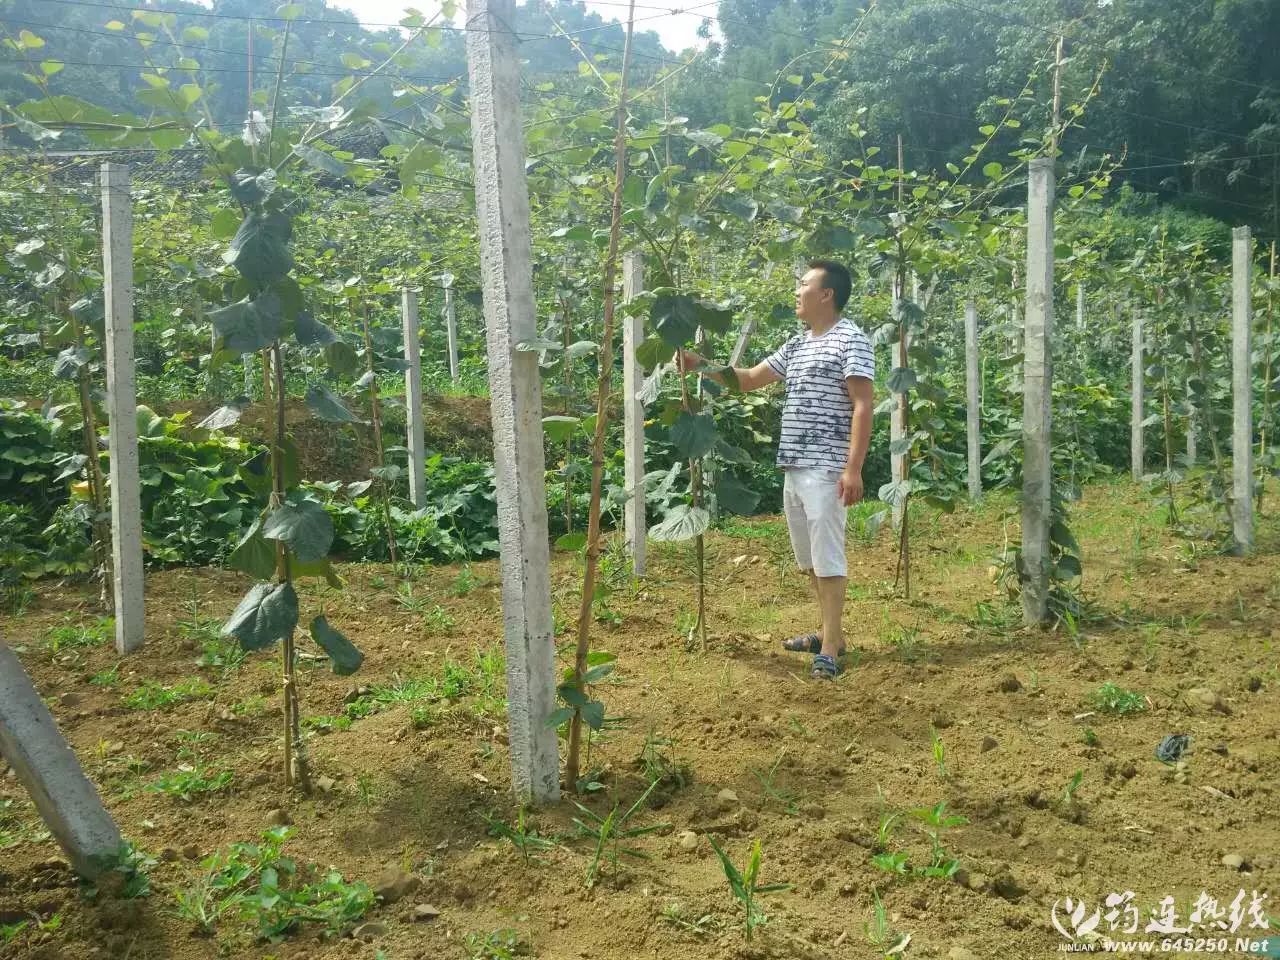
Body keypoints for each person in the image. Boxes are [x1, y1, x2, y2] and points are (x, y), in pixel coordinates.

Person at [680, 259, 874, 680]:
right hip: (794, 464)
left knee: (827, 556)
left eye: (803, 284)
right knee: (808, 559)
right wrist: (700, 365)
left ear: (826, 294)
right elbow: (748, 378)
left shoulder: (851, 340)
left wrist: (852, 468)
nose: (796, 292)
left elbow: (862, 404)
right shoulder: (798, 343)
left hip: (827, 465)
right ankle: (830, 634)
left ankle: (831, 649)